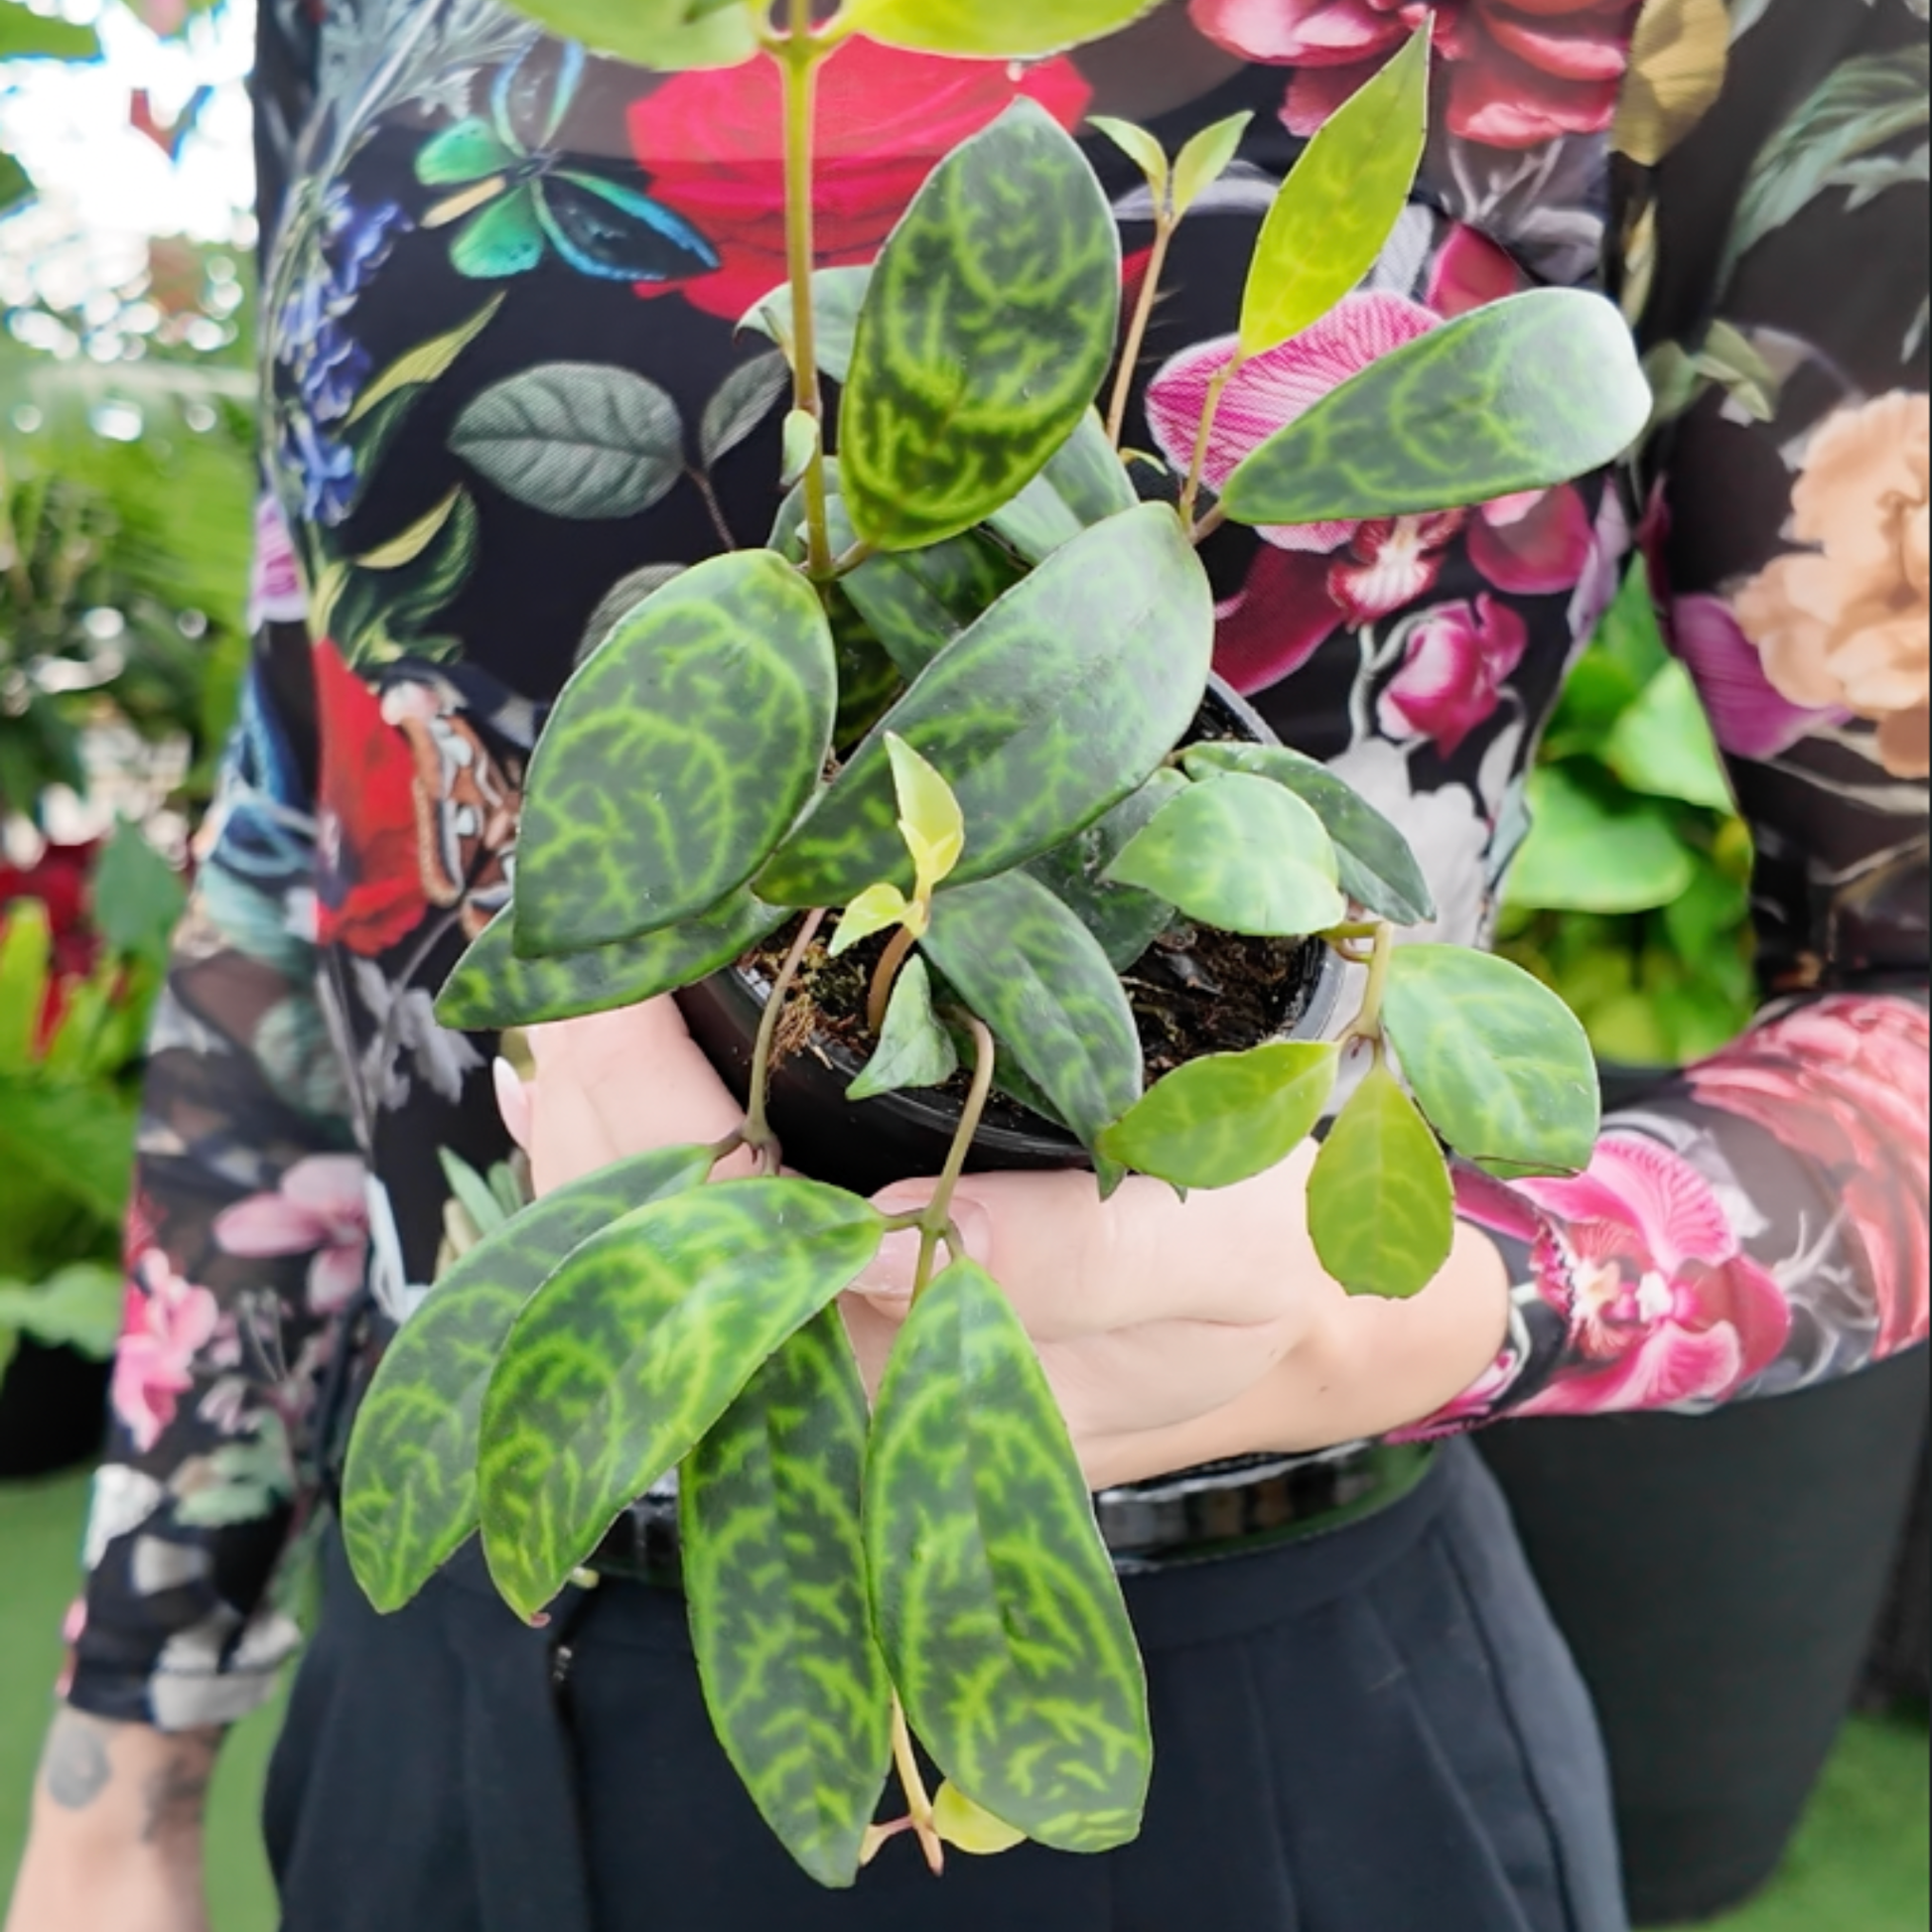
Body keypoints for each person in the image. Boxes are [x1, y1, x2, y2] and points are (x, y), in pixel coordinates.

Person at [7, 2, 1928, 1929]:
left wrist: (1429, 1294)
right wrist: (120, 1774)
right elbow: (300, 829)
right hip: (460, 1653)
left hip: (1219, 1703)